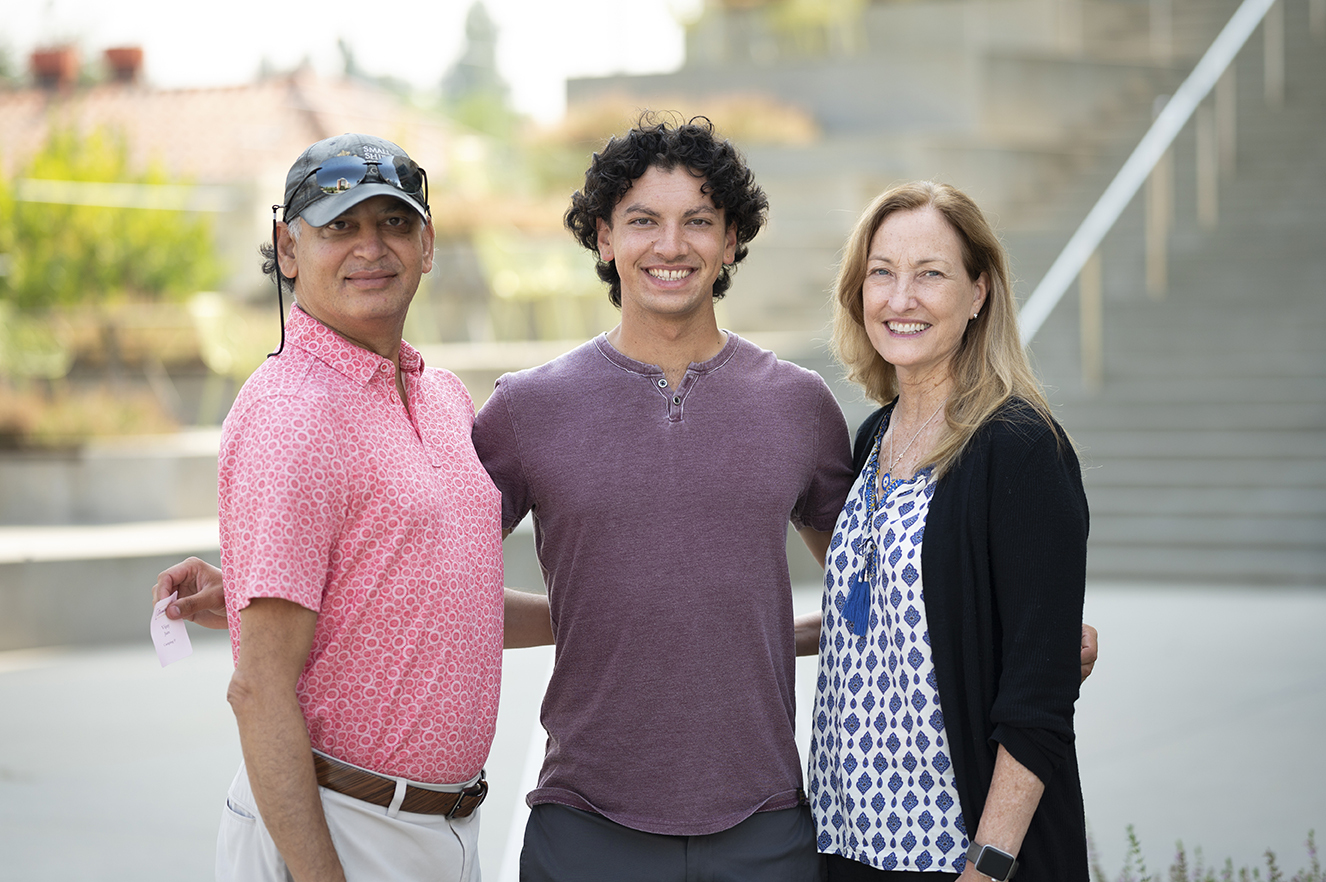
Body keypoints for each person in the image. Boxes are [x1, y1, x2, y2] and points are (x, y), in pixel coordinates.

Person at [157, 119, 1098, 881]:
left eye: (698, 219)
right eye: (641, 219)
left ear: (733, 239)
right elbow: (420, 576)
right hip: (584, 822)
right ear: (602, 238)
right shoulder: (524, 410)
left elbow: (877, 586)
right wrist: (258, 593)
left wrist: (1029, 638)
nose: (671, 244)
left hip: (767, 822)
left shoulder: (802, 409)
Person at [199, 132, 504, 882]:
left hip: (445, 830)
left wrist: (614, 614)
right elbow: (258, 687)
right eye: (340, 226)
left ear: (427, 244)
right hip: (340, 827)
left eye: (394, 223)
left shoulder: (442, 396)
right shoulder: (290, 415)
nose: (372, 247)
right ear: (288, 247)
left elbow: (454, 608)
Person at [809, 181, 1090, 882]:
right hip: (848, 844)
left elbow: (1039, 693)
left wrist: (987, 866)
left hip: (953, 855)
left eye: (930, 273)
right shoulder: (874, 438)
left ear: (978, 293)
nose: (901, 298)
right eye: (882, 273)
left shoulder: (1018, 447)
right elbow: (868, 621)